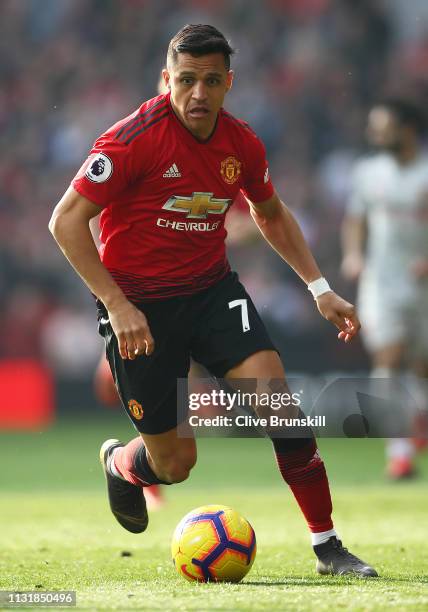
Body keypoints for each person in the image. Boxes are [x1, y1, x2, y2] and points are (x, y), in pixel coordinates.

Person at [49, 24, 377, 577]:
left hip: (211, 291)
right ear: (165, 79)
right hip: (141, 308)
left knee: (281, 409)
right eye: (185, 80)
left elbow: (269, 213)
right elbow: (64, 222)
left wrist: (320, 288)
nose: (197, 93)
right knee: (176, 465)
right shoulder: (130, 140)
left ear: (229, 83)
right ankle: (122, 463)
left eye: (210, 80)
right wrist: (116, 304)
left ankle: (328, 547)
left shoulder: (242, 142)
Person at [341, 98, 428, 479]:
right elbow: (355, 219)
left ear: (407, 129)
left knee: (420, 366)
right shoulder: (368, 172)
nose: (374, 133)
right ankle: (400, 453)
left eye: (383, 126)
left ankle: (417, 422)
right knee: (388, 358)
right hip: (383, 280)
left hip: (423, 282)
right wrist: (354, 254)